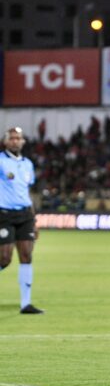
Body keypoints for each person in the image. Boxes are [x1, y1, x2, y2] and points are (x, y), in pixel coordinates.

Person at [0, 127, 44, 314]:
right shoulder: (1, 161)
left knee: (26, 255)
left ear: (23, 142)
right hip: (4, 214)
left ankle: (26, 304)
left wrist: (34, 220)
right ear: (5, 142)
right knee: (4, 258)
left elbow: (27, 192)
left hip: (25, 214)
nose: (15, 141)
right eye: (12, 138)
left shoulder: (28, 164)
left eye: (18, 138)